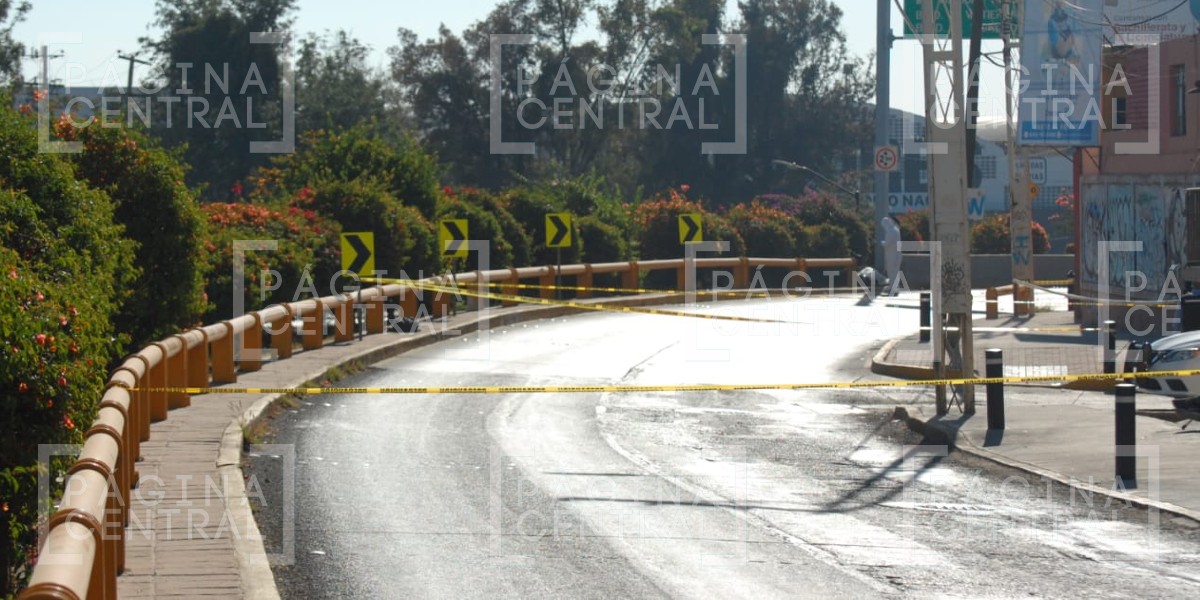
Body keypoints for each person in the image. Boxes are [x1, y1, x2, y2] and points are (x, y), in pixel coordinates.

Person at [881, 216, 902, 296]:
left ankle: (893, 289)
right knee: (895, 272)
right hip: (897, 254)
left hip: (892, 255)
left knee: (892, 272)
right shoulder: (896, 229)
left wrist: (881, 243)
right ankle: (895, 287)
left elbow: (887, 243)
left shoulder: (890, 231)